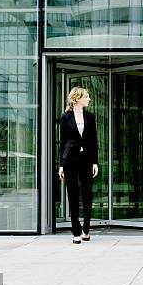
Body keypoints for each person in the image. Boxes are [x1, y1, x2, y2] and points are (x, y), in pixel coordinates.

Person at [58, 87, 99, 244]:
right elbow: (62, 143)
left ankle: (86, 229)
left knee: (87, 194)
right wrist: (61, 165)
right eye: (86, 97)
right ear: (77, 98)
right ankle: (76, 231)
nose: (88, 99)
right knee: (73, 195)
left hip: (86, 160)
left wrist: (95, 162)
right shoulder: (65, 117)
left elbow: (94, 141)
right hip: (70, 160)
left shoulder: (90, 117)